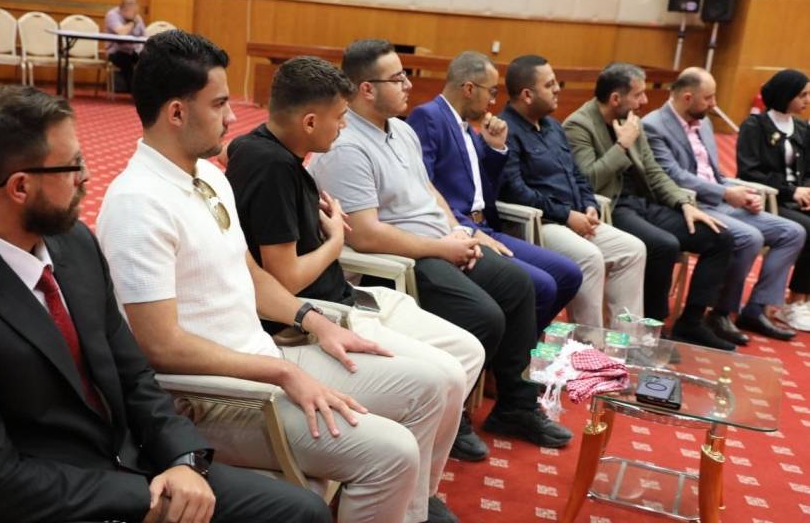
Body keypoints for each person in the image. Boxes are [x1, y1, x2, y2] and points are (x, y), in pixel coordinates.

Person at [0, 85, 333, 523]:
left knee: (304, 518)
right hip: (24, 518)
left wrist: (183, 460)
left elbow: (133, 374)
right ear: (20, 187)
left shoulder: (73, 243)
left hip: (121, 467)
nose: (87, 177)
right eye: (73, 166)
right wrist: (140, 496)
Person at [96, 30, 455, 523]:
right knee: (392, 452)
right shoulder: (137, 204)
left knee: (429, 384)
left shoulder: (208, 176)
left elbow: (250, 274)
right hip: (212, 398)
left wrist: (313, 320)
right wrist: (283, 374)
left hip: (262, 360)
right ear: (176, 112)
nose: (231, 118)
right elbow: (159, 346)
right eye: (219, 104)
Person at [226, 56, 488, 488]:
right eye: (340, 116)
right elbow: (286, 280)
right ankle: (413, 499)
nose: (344, 125)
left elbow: (235, 155)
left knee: (468, 351)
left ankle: (417, 478)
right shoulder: (271, 166)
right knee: (443, 377)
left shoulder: (273, 153)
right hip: (318, 315)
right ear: (310, 122)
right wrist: (334, 241)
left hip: (347, 299)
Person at [309, 39, 572, 450]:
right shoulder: (346, 147)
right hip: (401, 257)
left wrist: (458, 230)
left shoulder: (402, 130)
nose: (408, 86)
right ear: (367, 89)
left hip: (439, 241)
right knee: (484, 315)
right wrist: (439, 248)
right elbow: (365, 234)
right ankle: (452, 417)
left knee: (519, 286)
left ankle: (514, 407)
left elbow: (428, 190)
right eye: (398, 79)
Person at [563, 62, 736, 351]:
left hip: (644, 203)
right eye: (638, 95)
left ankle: (691, 322)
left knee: (719, 237)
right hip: (611, 207)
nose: (644, 101)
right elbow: (588, 180)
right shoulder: (579, 125)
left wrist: (683, 202)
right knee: (663, 245)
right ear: (616, 98)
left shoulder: (632, 120)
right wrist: (621, 146)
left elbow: (654, 172)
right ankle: (651, 330)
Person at [405, 51, 583, 332]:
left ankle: (519, 345)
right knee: (543, 285)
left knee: (568, 274)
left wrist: (495, 148)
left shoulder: (468, 126)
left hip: (486, 226)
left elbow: (484, 188)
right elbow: (422, 187)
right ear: (469, 88)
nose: (493, 101)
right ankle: (513, 353)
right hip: (457, 230)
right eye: (491, 91)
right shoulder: (429, 117)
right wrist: (466, 229)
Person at [644, 67, 804, 342]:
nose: (714, 104)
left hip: (720, 199)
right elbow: (675, 176)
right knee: (750, 237)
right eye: (708, 98)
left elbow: (714, 173)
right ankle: (720, 312)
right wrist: (726, 193)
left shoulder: (704, 122)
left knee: (792, 232)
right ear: (687, 97)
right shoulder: (654, 126)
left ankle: (755, 310)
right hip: (689, 204)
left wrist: (740, 192)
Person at [495, 54, 646, 328]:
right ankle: (587, 343)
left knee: (633, 249)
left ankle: (625, 341)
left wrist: (589, 204)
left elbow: (577, 175)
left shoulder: (553, 126)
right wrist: (566, 215)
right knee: (590, 257)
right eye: (550, 85)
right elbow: (516, 192)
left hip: (576, 217)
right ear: (527, 95)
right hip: (539, 223)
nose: (557, 90)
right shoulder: (506, 130)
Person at [737, 69, 810, 331]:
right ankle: (795, 300)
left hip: (796, 199)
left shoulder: (801, 127)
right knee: (808, 227)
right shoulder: (755, 126)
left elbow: (808, 170)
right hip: (768, 199)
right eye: (802, 95)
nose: (808, 100)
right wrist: (791, 191)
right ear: (785, 95)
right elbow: (749, 171)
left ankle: (802, 299)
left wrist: (807, 190)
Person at [104, 0, 146, 93]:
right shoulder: (112, 15)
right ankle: (135, 92)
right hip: (115, 51)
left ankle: (146, 91)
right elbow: (121, 33)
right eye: (133, 12)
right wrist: (132, 23)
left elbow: (144, 36)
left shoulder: (137, 17)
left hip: (133, 50)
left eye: (136, 12)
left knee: (147, 61)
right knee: (126, 60)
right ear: (123, 10)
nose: (135, 14)